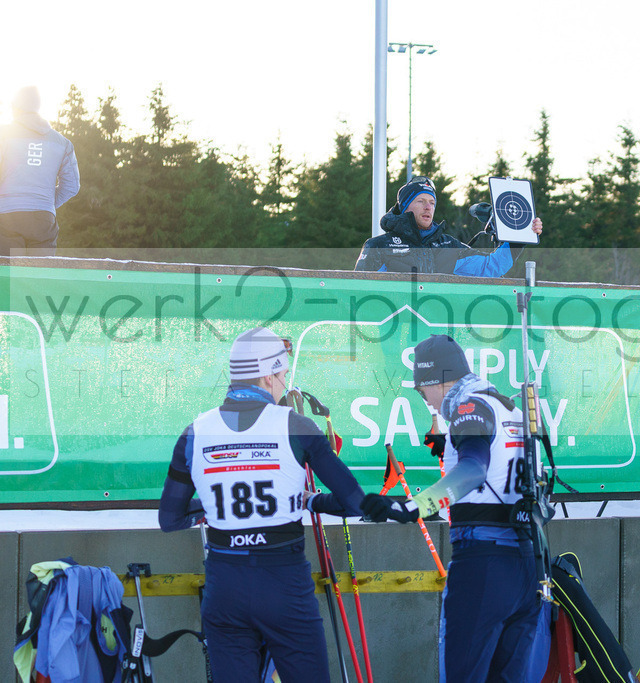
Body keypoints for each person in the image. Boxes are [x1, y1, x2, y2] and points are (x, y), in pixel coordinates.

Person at [158, 327, 402, 682]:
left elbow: (170, 518)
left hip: (224, 584)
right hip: (283, 583)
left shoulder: (194, 432)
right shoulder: (296, 425)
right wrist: (310, 501)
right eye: (283, 374)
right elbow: (355, 503)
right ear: (268, 373)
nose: (284, 383)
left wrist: (213, 508)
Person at [380, 334, 546, 682]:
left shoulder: (469, 406)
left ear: (435, 381)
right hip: (527, 563)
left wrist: (414, 507)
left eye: (421, 390)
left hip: (484, 562)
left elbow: (473, 470)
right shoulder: (509, 405)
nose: (425, 400)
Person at [354, 175, 542, 275]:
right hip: (394, 335)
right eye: (420, 201)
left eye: (432, 202)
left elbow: (492, 267)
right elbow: (359, 293)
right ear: (404, 206)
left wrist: (520, 233)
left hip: (437, 332)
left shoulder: (448, 245)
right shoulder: (378, 246)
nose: (428, 207)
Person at [0, 86, 80, 254]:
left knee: (8, 278)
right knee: (39, 277)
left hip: (7, 218)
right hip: (43, 220)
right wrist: (45, 202)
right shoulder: (62, 143)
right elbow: (72, 186)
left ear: (16, 107)